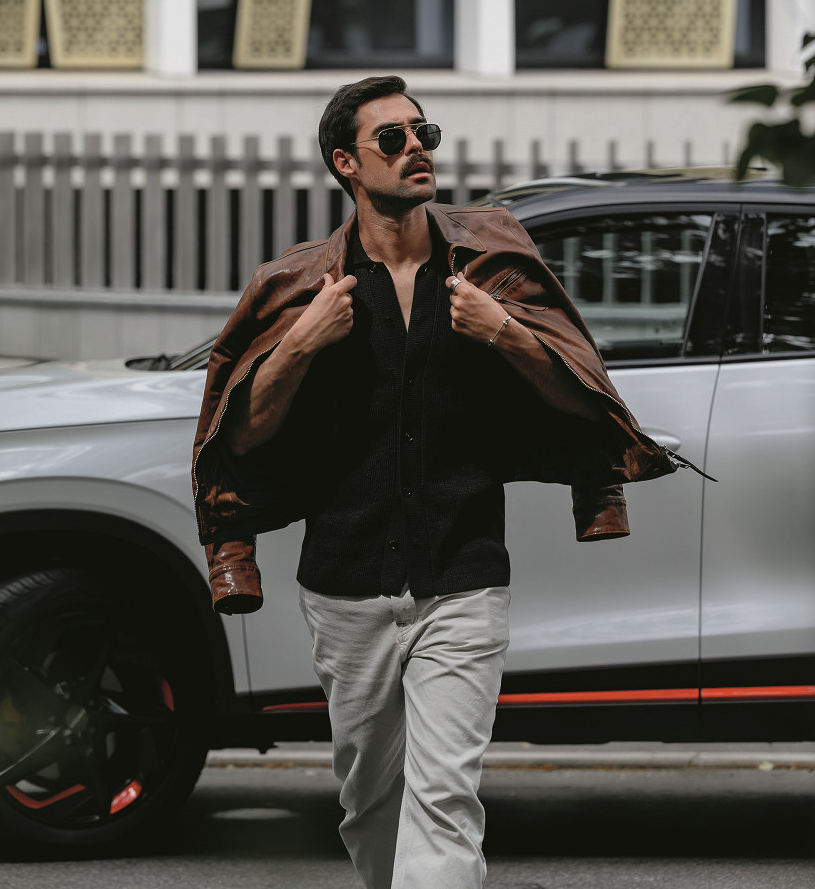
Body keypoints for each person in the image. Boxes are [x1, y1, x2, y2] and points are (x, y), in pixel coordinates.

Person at [192, 74, 676, 888]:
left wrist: (504, 332)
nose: (417, 147)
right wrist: (302, 344)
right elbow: (238, 434)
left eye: (425, 133)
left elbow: (582, 397)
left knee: (445, 800)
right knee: (370, 806)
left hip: (465, 578)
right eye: (393, 138)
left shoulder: (488, 265)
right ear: (346, 163)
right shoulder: (301, 286)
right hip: (345, 585)